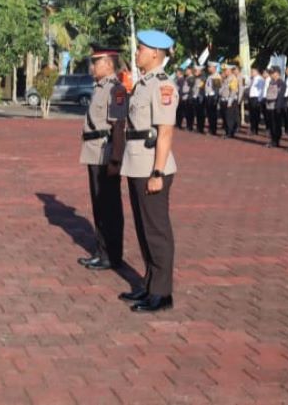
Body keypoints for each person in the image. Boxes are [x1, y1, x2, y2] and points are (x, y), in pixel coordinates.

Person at [119, 29, 178, 313]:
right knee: (143, 229)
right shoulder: (143, 83)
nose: (136, 53)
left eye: (141, 49)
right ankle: (150, 283)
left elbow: (165, 132)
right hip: (137, 162)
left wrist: (157, 172)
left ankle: (162, 293)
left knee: (156, 230)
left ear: (155, 53)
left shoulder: (162, 85)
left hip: (152, 165)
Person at [77, 48, 127, 271]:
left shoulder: (116, 90)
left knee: (109, 207)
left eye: (95, 63)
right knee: (99, 204)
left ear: (108, 64)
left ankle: (111, 255)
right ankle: (101, 251)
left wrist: (116, 159)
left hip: (105, 153)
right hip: (94, 151)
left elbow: (118, 126)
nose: (92, 67)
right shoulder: (100, 88)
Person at [264, 67, 286, 148]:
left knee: (276, 125)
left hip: (276, 106)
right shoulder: (271, 82)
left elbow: (280, 96)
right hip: (269, 106)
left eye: (272, 73)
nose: (271, 74)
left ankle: (276, 141)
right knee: (271, 124)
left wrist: (278, 106)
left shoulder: (281, 83)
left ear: (277, 73)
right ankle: (273, 139)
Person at [219, 64, 239, 138]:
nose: (224, 72)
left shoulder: (233, 78)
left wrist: (230, 101)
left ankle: (230, 133)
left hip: (230, 100)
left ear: (230, 70)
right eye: (224, 70)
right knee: (225, 117)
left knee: (229, 118)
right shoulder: (226, 78)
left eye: (225, 70)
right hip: (224, 100)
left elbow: (233, 91)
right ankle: (227, 131)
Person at [204, 61, 221, 135]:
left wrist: (215, 99)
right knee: (209, 114)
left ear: (214, 68)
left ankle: (213, 130)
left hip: (213, 97)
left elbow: (217, 89)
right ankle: (211, 128)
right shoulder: (210, 76)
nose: (208, 68)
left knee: (213, 114)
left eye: (210, 67)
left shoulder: (216, 76)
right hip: (208, 96)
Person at [247, 67, 265, 135]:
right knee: (251, 114)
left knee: (255, 114)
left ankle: (255, 129)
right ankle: (252, 128)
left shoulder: (260, 79)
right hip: (251, 98)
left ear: (257, 72)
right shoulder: (252, 79)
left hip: (256, 98)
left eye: (252, 72)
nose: (251, 73)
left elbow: (261, 90)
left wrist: (259, 100)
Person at [191, 65, 206, 133]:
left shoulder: (203, 78)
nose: (195, 72)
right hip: (196, 97)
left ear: (200, 71)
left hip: (201, 97)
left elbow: (200, 86)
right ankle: (198, 127)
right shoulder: (195, 78)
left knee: (201, 113)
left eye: (196, 71)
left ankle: (201, 128)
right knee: (197, 113)